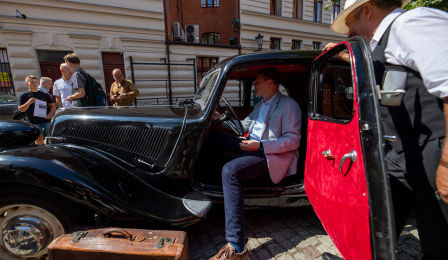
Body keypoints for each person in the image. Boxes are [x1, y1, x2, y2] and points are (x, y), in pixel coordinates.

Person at [323, 0, 448, 258]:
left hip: (434, 152)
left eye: (349, 23)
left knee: (438, 242)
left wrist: (447, 165)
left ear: (367, 10)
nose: (348, 33)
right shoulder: (384, 42)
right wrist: (347, 57)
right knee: (377, 223)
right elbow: (388, 73)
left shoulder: (410, 24)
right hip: (401, 154)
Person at [205, 68, 302, 260]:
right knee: (213, 138)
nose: (254, 85)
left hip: (270, 156)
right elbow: (244, 125)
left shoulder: (289, 105)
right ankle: (206, 185)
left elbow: (293, 141)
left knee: (230, 171)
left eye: (257, 81)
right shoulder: (260, 105)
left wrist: (261, 146)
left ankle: (237, 247)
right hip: (250, 145)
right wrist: (220, 120)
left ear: (270, 83)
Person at [18, 75, 56, 145]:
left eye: (36, 82)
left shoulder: (44, 94)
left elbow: (52, 106)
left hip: (46, 119)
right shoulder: (24, 95)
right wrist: (29, 102)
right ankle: (42, 151)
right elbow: (21, 109)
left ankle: (52, 150)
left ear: (38, 83)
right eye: (32, 82)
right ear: (27, 84)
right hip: (33, 120)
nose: (35, 84)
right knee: (38, 137)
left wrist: (50, 114)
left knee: (52, 136)